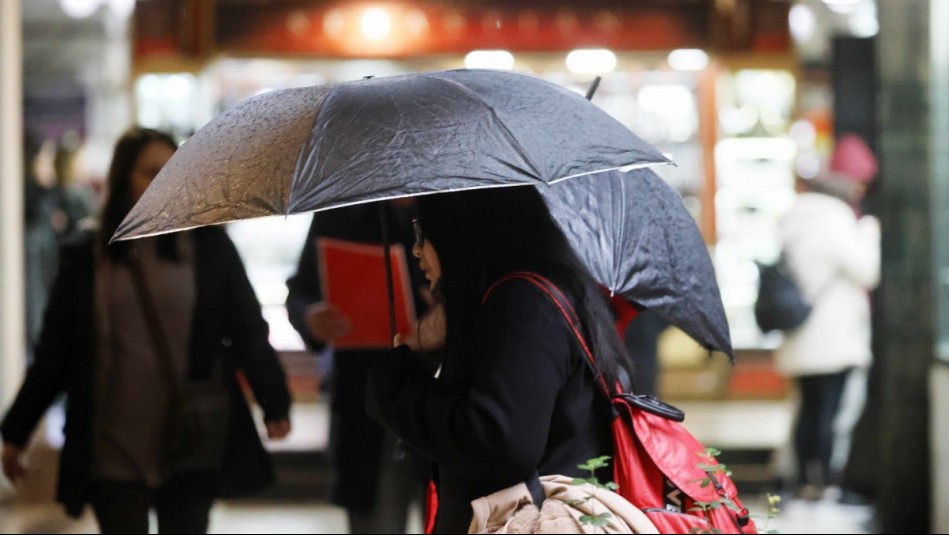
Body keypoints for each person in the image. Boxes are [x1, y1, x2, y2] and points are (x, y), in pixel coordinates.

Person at [0, 127, 293, 534]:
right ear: (123, 179)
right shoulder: (89, 257)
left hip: (188, 432)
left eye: (172, 171)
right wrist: (16, 430)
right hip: (111, 440)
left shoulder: (209, 249)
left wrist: (274, 399)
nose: (163, 182)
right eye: (149, 172)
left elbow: (247, 330)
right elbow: (55, 351)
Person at [364, 187, 634, 534]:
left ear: (462, 227)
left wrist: (397, 379)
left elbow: (496, 443)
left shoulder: (522, 305)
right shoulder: (535, 291)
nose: (416, 250)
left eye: (423, 231)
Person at [285, 201, 429, 534]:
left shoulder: (453, 208)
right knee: (374, 517)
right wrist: (311, 317)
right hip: (366, 400)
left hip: (441, 394)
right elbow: (301, 291)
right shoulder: (343, 210)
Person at [775, 132, 881, 500]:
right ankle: (823, 484)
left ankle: (805, 480)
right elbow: (867, 270)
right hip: (832, 335)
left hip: (802, 331)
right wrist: (869, 233)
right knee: (831, 413)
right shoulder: (835, 219)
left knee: (809, 409)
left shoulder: (795, 216)